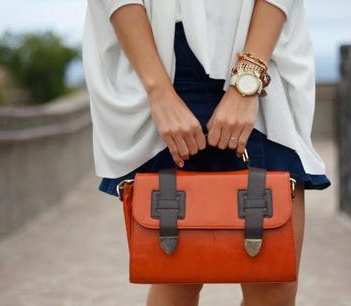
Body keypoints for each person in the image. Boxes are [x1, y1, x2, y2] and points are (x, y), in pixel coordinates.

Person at [82, 0, 331, 305]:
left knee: (274, 282)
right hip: (165, 56)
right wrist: (159, 92)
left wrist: (246, 83)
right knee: (176, 279)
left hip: (260, 57)